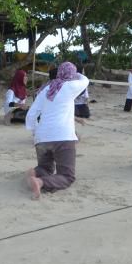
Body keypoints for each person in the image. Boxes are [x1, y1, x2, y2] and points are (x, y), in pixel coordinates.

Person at [24, 62, 89, 199]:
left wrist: (36, 132)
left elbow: (31, 115)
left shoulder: (46, 90)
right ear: (70, 75)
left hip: (42, 137)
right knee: (67, 176)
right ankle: (40, 181)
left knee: (45, 168)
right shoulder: (70, 86)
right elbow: (85, 80)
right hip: (62, 136)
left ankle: (34, 172)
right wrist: (76, 73)